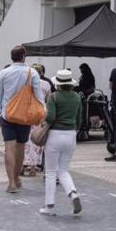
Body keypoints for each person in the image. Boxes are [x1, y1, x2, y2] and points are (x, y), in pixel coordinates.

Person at [0, 44, 47, 193]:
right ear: (24, 57)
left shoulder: (4, 72)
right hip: (25, 116)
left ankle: (10, 183)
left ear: (12, 57)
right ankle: (17, 178)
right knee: (20, 147)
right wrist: (43, 114)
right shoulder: (33, 73)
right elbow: (39, 96)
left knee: (9, 148)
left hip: (7, 115)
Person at [40, 69, 82, 217]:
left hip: (55, 135)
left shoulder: (54, 97)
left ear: (57, 83)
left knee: (51, 172)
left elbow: (50, 117)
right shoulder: (77, 97)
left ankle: (49, 205)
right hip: (71, 135)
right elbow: (80, 119)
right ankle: (73, 194)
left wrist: (43, 122)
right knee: (63, 170)